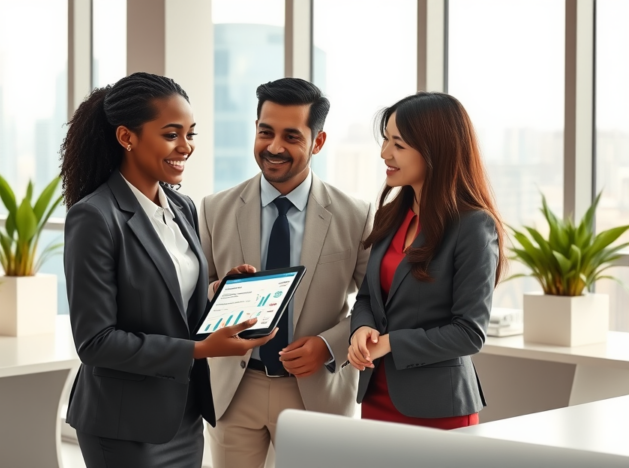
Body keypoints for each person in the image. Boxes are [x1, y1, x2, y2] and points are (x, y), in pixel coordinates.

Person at [60, 72, 275, 468]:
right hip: (124, 425)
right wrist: (200, 349)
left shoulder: (183, 208)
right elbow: (95, 342)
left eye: (191, 134)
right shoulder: (94, 217)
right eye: (172, 134)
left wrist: (217, 291)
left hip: (184, 413)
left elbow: (168, 299)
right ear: (127, 137)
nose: (186, 147)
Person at [200, 78, 374, 468]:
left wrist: (328, 346)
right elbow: (193, 298)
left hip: (317, 392)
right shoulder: (214, 209)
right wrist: (218, 290)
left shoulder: (356, 215)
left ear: (318, 142)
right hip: (234, 389)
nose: (274, 147)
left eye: (291, 136)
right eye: (265, 132)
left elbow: (374, 303)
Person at [347, 92, 506, 429]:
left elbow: (469, 333)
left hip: (439, 409)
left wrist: (390, 343)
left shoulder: (473, 226)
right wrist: (361, 328)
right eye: (385, 140)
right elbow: (367, 297)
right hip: (376, 398)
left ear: (435, 150)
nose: (384, 153)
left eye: (398, 145)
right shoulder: (390, 216)